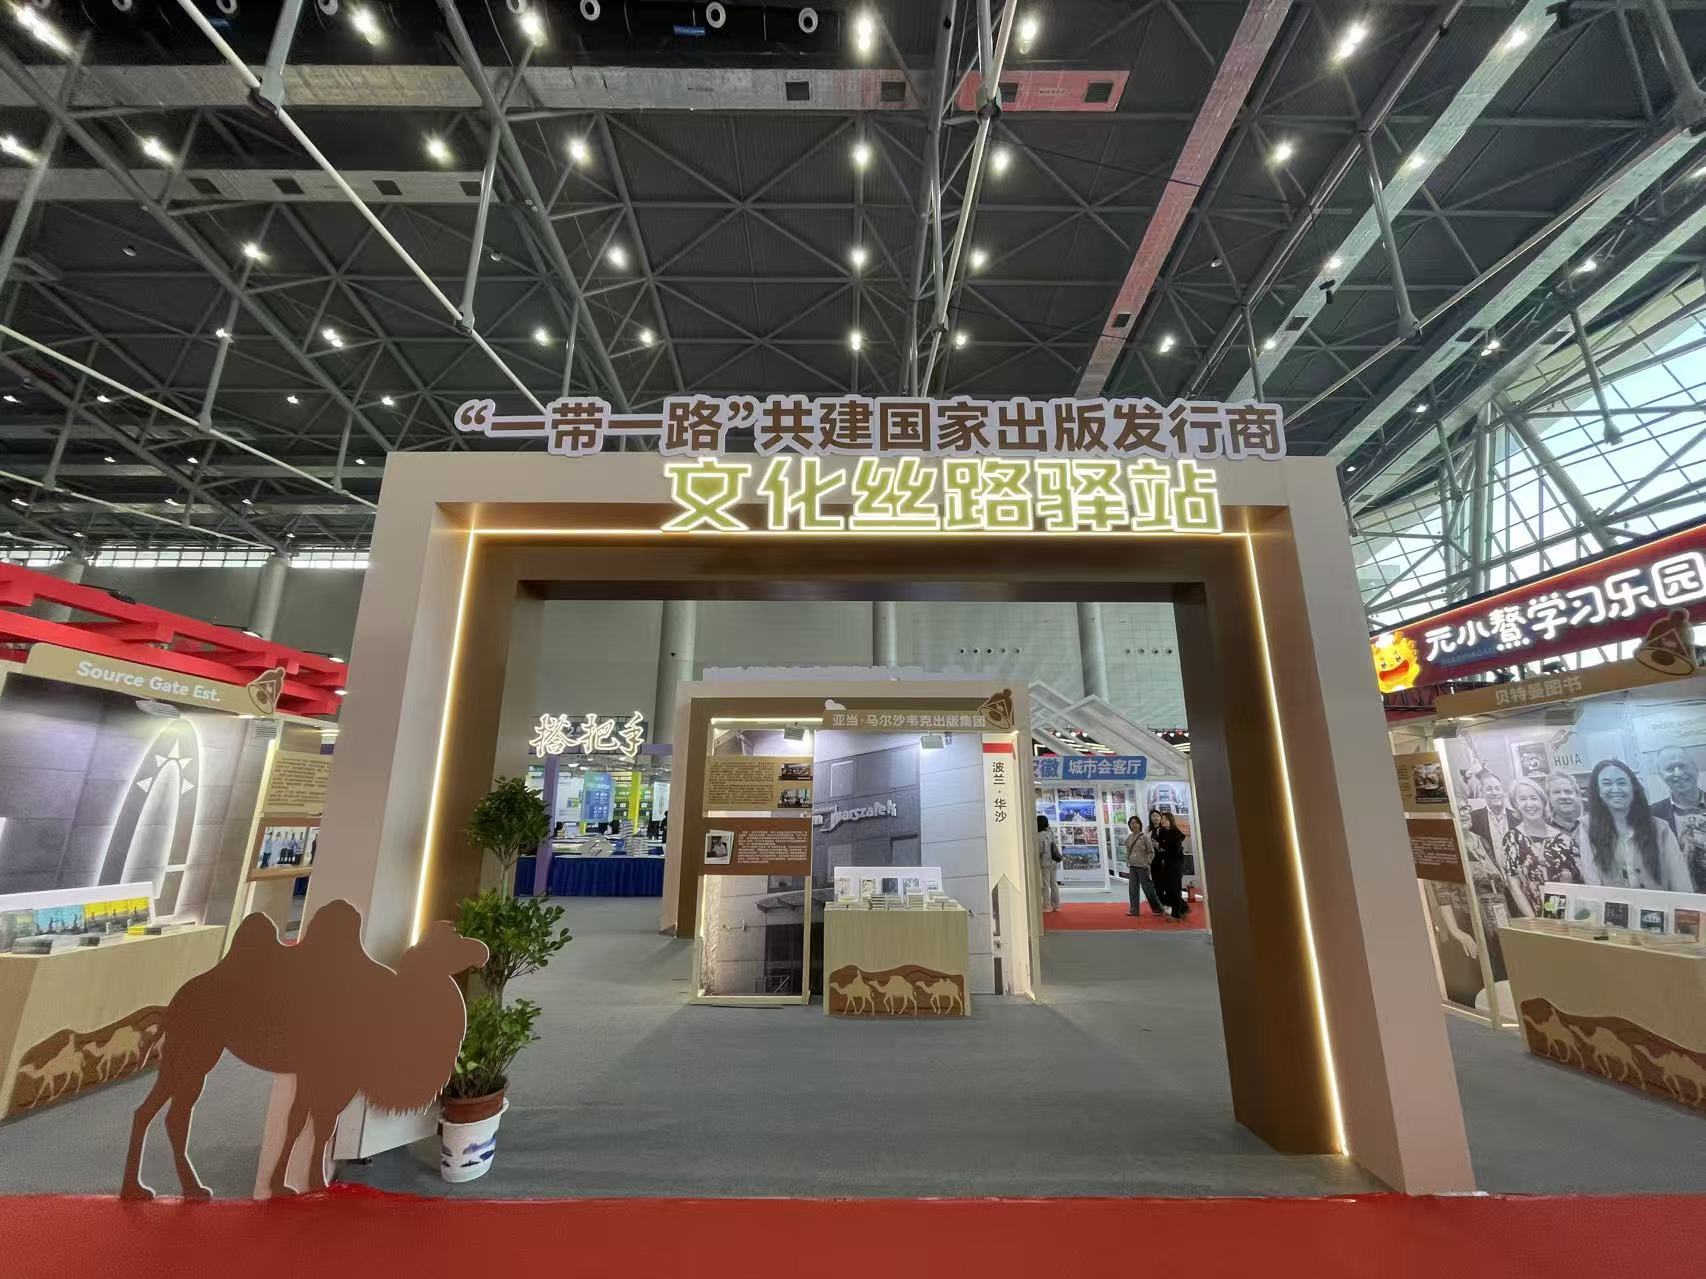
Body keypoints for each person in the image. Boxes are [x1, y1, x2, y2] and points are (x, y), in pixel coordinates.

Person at [1581, 758, 1692, 892]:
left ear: (1633, 788)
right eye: (1607, 783)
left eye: (1621, 782)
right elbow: (1592, 882)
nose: (1615, 789)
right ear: (1598, 790)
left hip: (1657, 904)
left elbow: (1681, 882)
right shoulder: (1587, 826)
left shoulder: (1660, 828)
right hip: (1614, 905)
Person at [1499, 777, 1581, 916]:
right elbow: (1514, 886)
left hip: (1567, 914)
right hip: (1534, 916)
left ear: (1543, 801)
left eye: (1533, 798)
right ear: (1516, 804)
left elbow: (1578, 881)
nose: (1529, 804)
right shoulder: (1512, 839)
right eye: (1523, 799)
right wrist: (1534, 921)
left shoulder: (1564, 839)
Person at [1651, 746, 1706, 892]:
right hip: (1681, 898)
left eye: (1682, 765)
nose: (1678, 773)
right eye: (1670, 769)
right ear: (1661, 776)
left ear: (1695, 768)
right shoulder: (1652, 815)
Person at [1150, 812, 1188, 921]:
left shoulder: (1175, 832)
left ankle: (1176, 915)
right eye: (1162, 818)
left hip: (1176, 864)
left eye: (1165, 819)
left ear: (1171, 820)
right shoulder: (1164, 832)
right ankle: (1180, 911)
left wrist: (1160, 845)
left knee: (1174, 888)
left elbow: (1174, 848)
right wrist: (1159, 845)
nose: (1162, 820)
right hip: (1168, 863)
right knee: (1170, 889)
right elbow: (1163, 847)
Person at [1124, 815, 1162, 916]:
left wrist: (1147, 862)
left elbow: (1151, 852)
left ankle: (1157, 909)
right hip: (1133, 866)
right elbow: (1128, 850)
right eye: (1132, 823)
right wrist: (1127, 859)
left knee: (1147, 888)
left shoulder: (1145, 837)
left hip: (1143, 866)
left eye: (1136, 823)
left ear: (1139, 824)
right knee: (1132, 889)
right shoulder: (1129, 838)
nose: (1134, 825)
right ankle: (1134, 910)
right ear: (1129, 825)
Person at [1036, 814, 1062, 913]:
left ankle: (1046, 906)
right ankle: (1056, 905)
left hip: (1045, 862)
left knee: (1045, 885)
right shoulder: (1050, 833)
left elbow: (1040, 850)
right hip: (1053, 861)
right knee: (1054, 884)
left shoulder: (1039, 835)